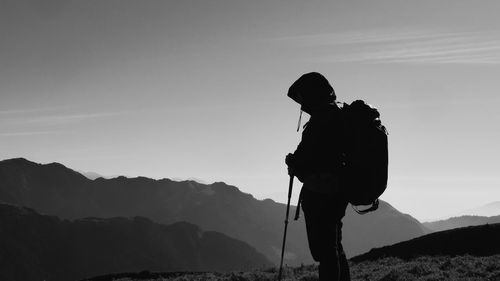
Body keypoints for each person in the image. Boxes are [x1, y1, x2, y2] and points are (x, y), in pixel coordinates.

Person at [285, 72, 351, 281]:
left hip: (321, 192)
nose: (302, 103)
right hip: (337, 192)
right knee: (333, 246)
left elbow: (311, 158)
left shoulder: (322, 120)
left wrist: (294, 164)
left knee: (325, 251)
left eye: (303, 97)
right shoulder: (336, 115)